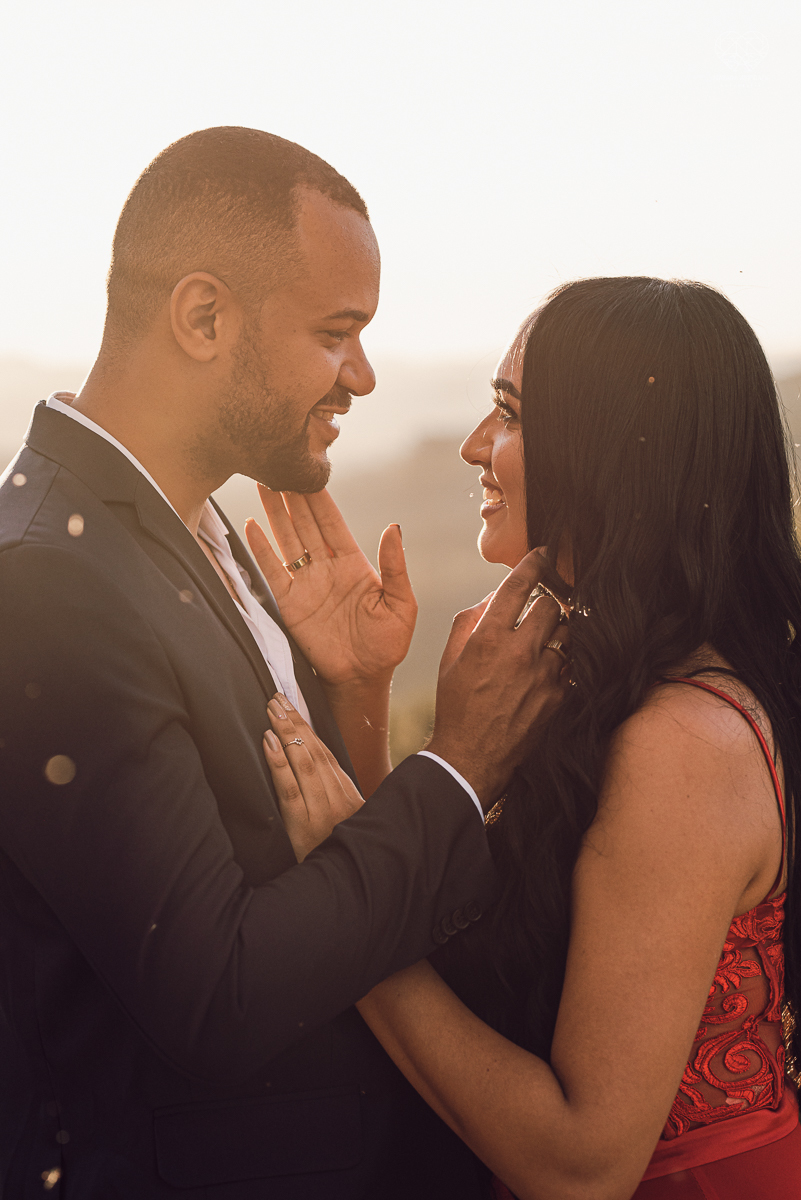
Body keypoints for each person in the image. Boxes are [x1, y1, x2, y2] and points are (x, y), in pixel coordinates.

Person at [0, 127, 567, 1199]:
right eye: (336, 331)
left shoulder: (193, 533)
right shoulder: (48, 581)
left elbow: (304, 870)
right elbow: (219, 990)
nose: (359, 374)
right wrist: (458, 767)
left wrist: (355, 695)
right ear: (204, 316)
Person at [255, 277, 801, 1200]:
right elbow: (460, 938)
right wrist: (360, 688)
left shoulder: (683, 743)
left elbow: (580, 1162)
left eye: (507, 414)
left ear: (616, 453)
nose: (475, 443)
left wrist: (342, 928)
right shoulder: (606, 680)